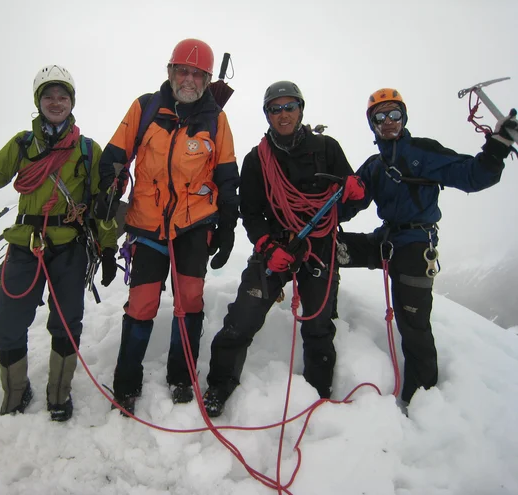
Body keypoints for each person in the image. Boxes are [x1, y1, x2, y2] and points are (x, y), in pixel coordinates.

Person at [0, 65, 118, 422]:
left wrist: (107, 248)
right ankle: (16, 393)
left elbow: (101, 204)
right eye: (49, 96)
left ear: (72, 102)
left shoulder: (89, 150)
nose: (56, 102)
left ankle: (58, 394)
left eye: (63, 96)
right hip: (26, 247)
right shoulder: (22, 145)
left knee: (67, 324)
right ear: (38, 101)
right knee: (8, 327)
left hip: (70, 249)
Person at [337, 87, 515, 407]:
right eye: (380, 116)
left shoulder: (423, 152)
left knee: (413, 325)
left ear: (404, 117)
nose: (388, 121)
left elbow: (472, 175)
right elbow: (347, 209)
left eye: (394, 114)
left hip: (416, 246)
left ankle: (423, 399)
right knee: (330, 246)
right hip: (387, 240)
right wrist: (339, 195)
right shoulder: (375, 166)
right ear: (372, 124)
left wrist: (498, 146)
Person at [202, 81, 365, 418]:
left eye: (289, 107)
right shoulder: (257, 160)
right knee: (242, 317)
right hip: (277, 246)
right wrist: (266, 245)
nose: (283, 114)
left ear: (301, 110)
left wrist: (356, 193)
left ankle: (319, 396)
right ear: (267, 115)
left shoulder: (327, 149)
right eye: (275, 109)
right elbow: (251, 212)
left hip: (319, 244)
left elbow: (345, 203)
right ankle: (219, 385)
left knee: (318, 323)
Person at [96, 39, 240, 415]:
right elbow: (115, 155)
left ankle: (182, 375)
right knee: (141, 304)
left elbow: (227, 176)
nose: (189, 79)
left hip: (194, 225)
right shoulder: (145, 108)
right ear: (170, 72)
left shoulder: (216, 120)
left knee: (189, 301)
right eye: (183, 71)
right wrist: (109, 189)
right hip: (146, 224)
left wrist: (227, 228)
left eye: (197, 73)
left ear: (208, 80)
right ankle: (126, 384)